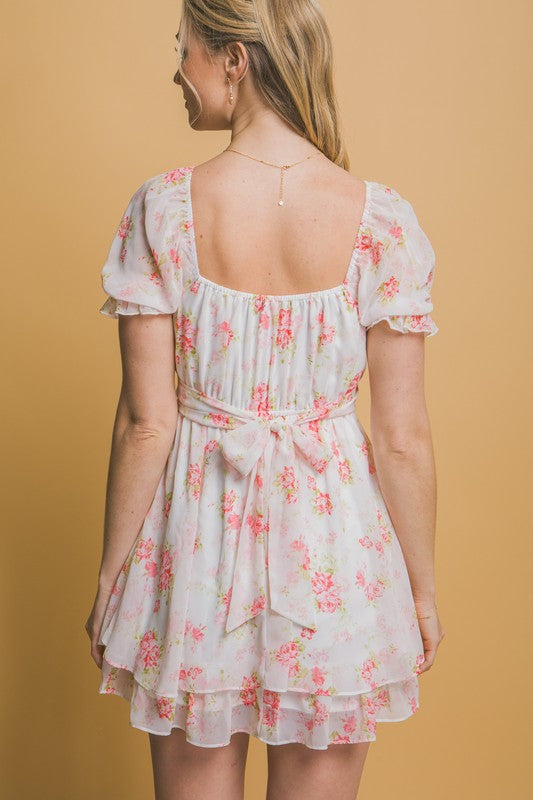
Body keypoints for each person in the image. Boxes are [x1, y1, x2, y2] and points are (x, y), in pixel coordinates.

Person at [85, 1, 445, 797]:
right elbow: (402, 436)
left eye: (183, 49)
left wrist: (114, 573)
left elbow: (147, 424)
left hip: (196, 548)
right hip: (333, 550)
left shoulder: (164, 209)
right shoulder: (381, 221)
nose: (176, 70)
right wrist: (418, 591)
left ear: (233, 60)